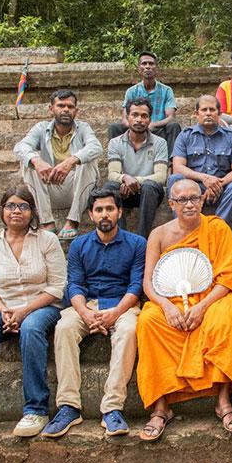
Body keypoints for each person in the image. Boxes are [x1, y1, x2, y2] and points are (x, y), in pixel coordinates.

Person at [135, 179, 232, 441]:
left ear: (202, 200)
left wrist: (202, 307)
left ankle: (223, 400)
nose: (189, 204)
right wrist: (165, 306)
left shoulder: (217, 228)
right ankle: (161, 406)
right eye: (182, 200)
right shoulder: (159, 235)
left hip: (213, 296)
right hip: (171, 300)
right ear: (171, 204)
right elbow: (148, 283)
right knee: (149, 320)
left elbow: (229, 277)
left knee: (226, 317)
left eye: (194, 198)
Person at [0, 185, 66, 444]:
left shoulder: (47, 240)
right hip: (2, 308)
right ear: (2, 210)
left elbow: (57, 287)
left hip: (42, 307)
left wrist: (25, 311)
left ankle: (36, 410)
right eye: (11, 206)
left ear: (32, 212)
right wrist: (5, 310)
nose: (16, 211)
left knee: (31, 328)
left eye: (23, 206)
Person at [42, 188, 146, 438]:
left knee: (129, 330)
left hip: (123, 305)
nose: (104, 214)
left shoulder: (137, 244)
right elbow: (75, 284)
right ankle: (69, 407)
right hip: (87, 304)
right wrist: (86, 313)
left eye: (110, 208)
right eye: (99, 209)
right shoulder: (79, 245)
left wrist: (115, 313)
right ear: (90, 214)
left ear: (119, 212)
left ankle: (112, 408)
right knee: (64, 327)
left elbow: (136, 286)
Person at [14, 89, 102, 241]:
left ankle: (72, 221)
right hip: (49, 187)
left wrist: (71, 161)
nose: (66, 109)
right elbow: (20, 147)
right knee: (29, 163)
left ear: (76, 111)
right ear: (51, 109)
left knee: (88, 162)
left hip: (77, 190)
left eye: (70, 106)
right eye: (61, 106)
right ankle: (47, 222)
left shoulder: (83, 128)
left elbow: (96, 147)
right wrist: (37, 161)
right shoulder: (41, 128)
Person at [168, 95, 232, 223]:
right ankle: (182, 226)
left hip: (221, 187)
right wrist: (205, 179)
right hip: (192, 188)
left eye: (212, 109)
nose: (208, 113)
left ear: (219, 113)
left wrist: (215, 185)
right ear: (196, 114)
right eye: (204, 110)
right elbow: (178, 168)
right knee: (175, 179)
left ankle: (216, 227)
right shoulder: (185, 136)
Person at [106, 97, 167, 238]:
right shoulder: (115, 142)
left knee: (149, 186)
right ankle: (120, 238)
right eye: (135, 115)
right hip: (125, 193)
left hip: (149, 193)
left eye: (144, 116)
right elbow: (112, 174)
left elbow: (161, 177)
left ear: (150, 120)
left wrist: (134, 181)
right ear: (127, 117)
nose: (139, 120)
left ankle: (142, 239)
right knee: (110, 187)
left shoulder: (160, 143)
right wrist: (125, 178)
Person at [108, 51, 181, 156]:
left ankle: (171, 163)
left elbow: (170, 117)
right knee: (114, 127)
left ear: (156, 69)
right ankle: (115, 159)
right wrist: (137, 126)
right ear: (139, 69)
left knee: (173, 126)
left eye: (151, 64)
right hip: (136, 128)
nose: (147, 67)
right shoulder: (132, 91)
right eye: (144, 63)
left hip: (157, 129)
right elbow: (124, 119)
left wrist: (152, 125)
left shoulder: (166, 90)